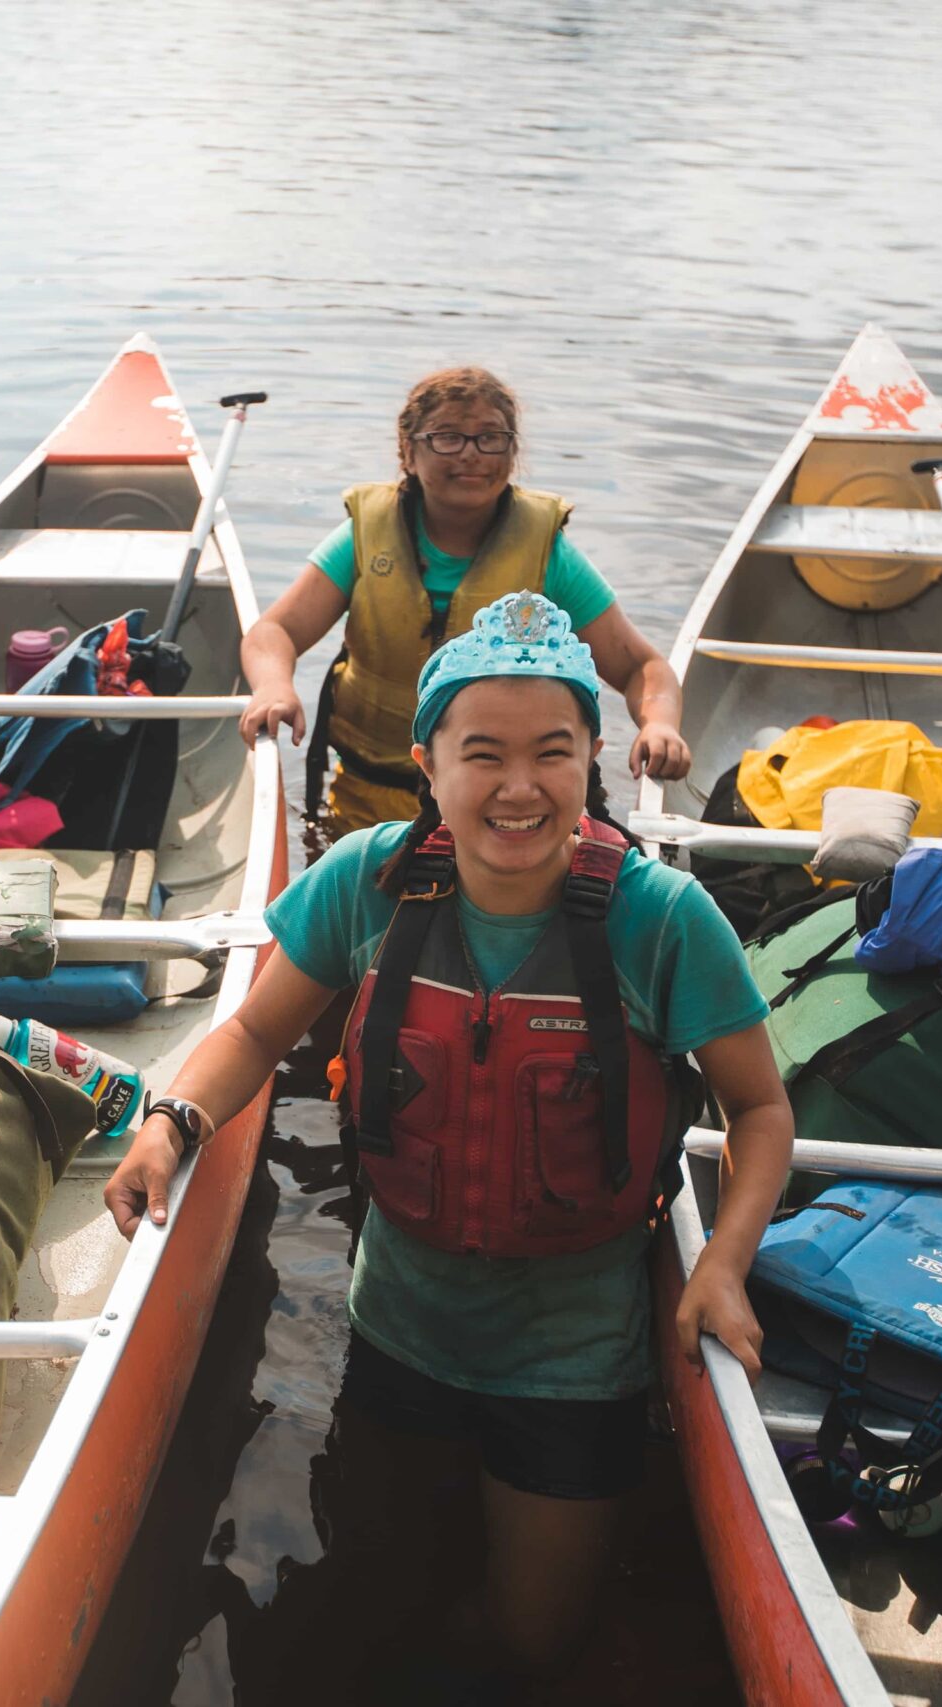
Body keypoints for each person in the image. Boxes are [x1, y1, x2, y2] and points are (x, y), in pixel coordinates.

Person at [108, 593, 791, 1687]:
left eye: (551, 754)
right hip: (400, 1328)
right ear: (428, 763)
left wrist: (721, 1266)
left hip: (573, 1356)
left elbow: (759, 1109)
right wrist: (167, 1125)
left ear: (591, 758)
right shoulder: (370, 880)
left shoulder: (658, 919)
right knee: (386, 1590)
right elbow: (247, 1031)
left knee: (528, 1645)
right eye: (482, 755)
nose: (518, 788)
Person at [237, 367, 691, 840]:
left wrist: (659, 725)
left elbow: (642, 667)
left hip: (500, 807)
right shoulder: (364, 539)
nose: (472, 455)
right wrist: (273, 687)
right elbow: (275, 632)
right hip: (367, 797)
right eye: (448, 438)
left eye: (491, 438)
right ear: (408, 451)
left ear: (512, 452)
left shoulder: (548, 554)